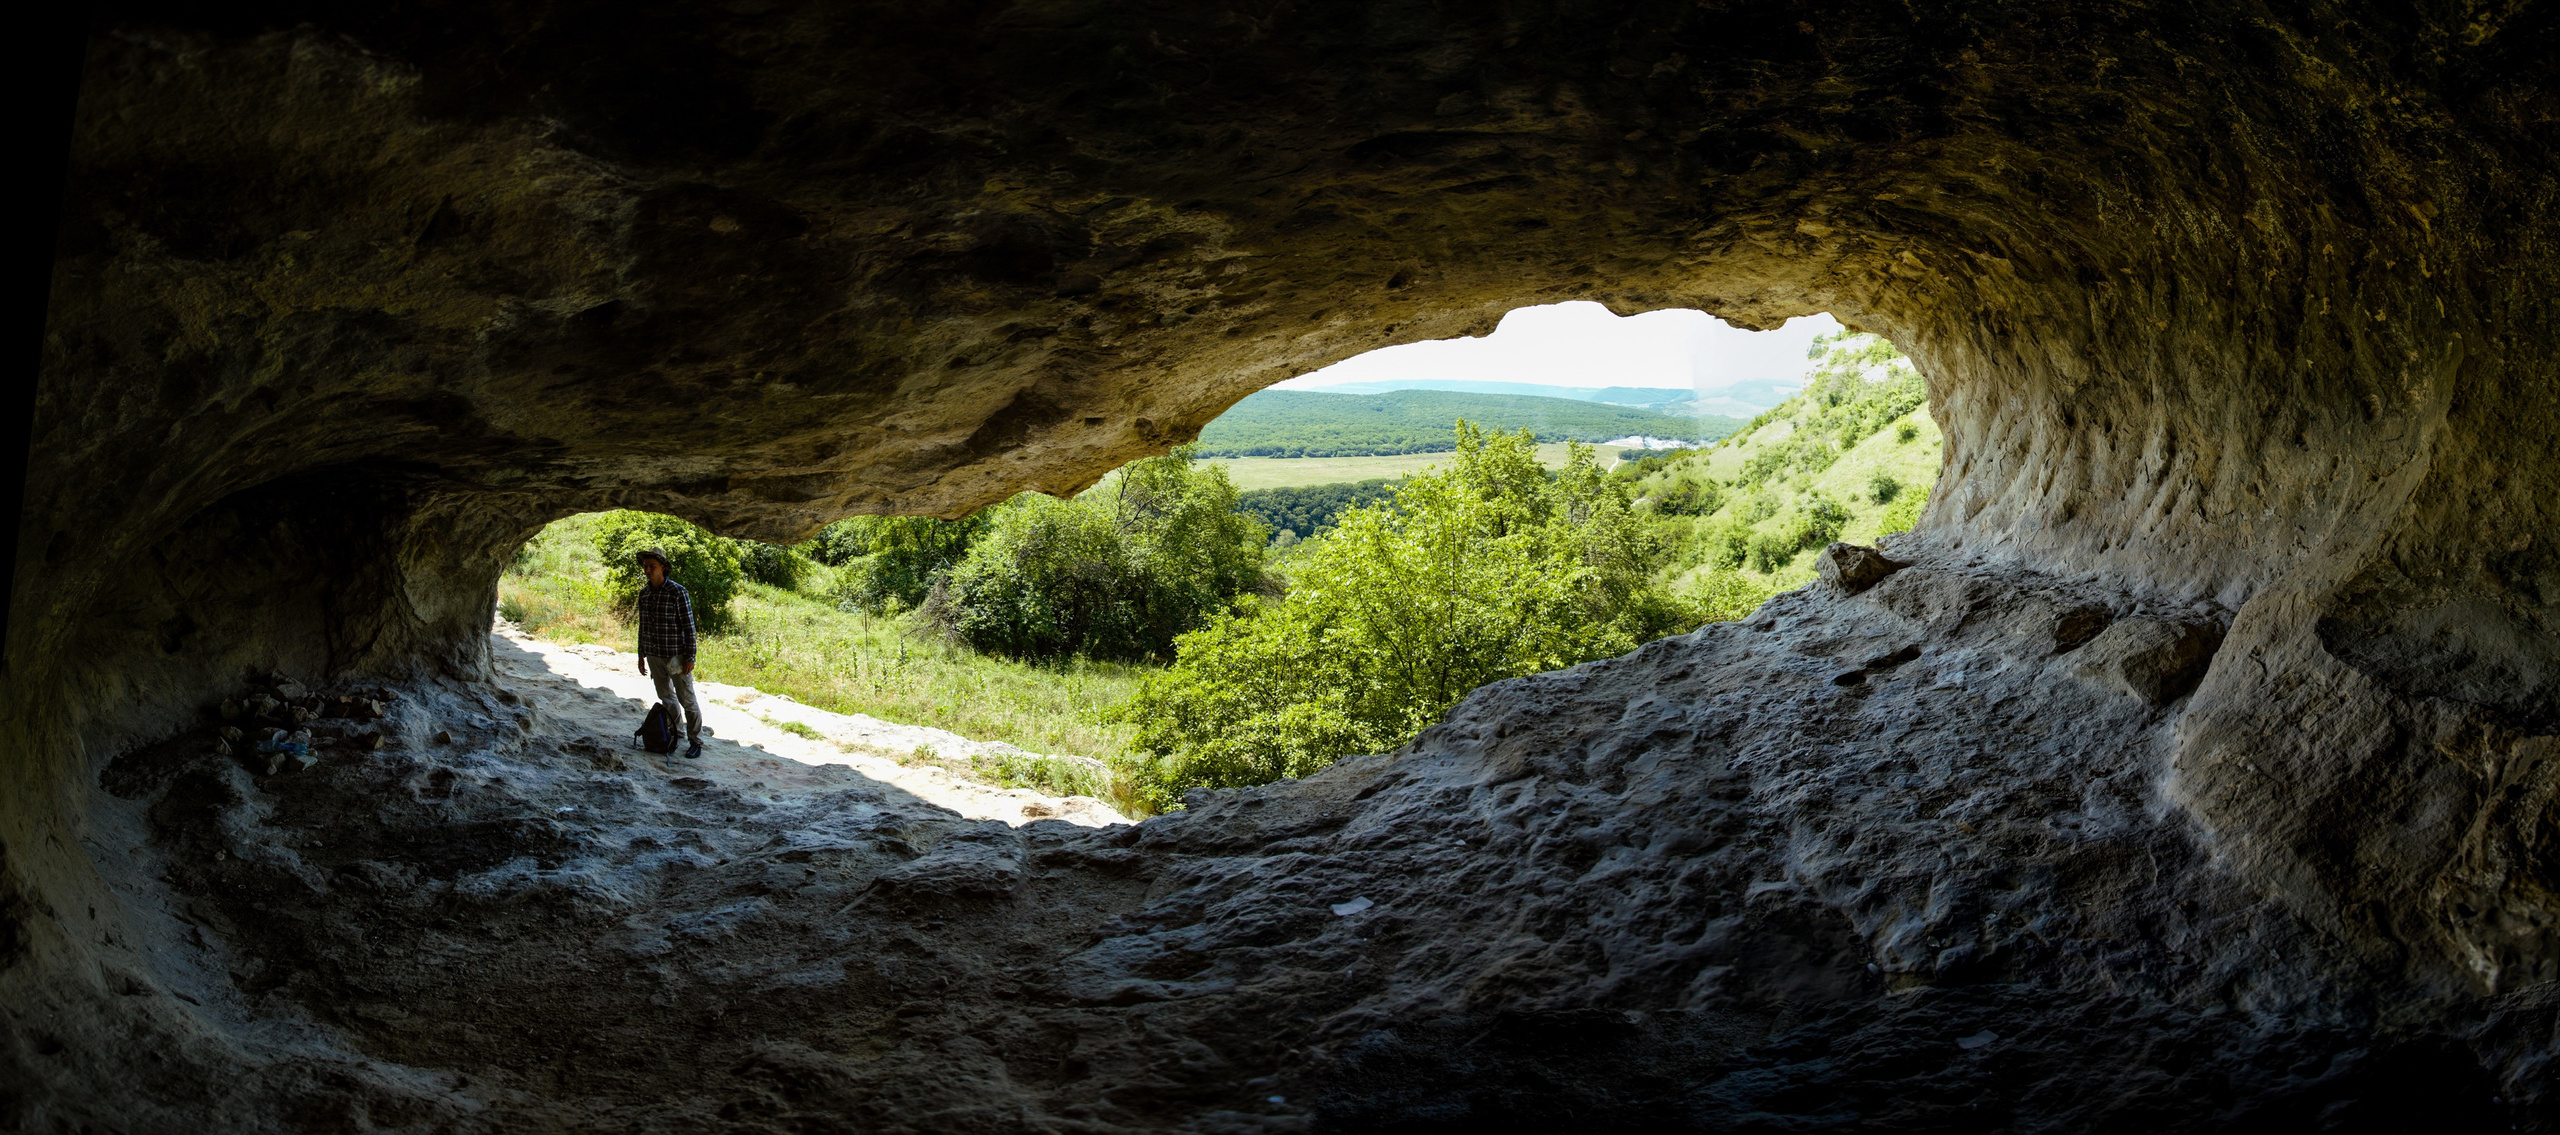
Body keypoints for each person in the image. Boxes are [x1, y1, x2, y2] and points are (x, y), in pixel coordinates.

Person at [633, 548, 705, 758]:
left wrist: (690, 656)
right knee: (666, 697)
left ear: (663, 567)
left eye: (651, 566)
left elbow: (689, 627)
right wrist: (641, 655)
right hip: (654, 654)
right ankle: (676, 732)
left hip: (676, 655)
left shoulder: (677, 592)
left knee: (687, 699)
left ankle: (696, 741)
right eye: (645, 566)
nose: (647, 570)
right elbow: (642, 626)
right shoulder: (644, 593)